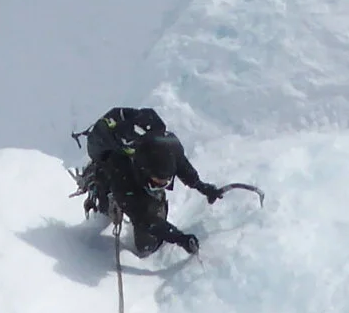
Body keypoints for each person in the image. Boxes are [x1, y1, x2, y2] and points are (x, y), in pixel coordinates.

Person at [75, 105, 258, 259]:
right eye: (156, 183)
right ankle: (98, 181)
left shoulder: (169, 148)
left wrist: (203, 187)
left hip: (132, 166)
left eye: (164, 183)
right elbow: (144, 219)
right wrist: (180, 238)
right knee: (115, 213)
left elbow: (183, 167)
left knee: (147, 244)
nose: (160, 186)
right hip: (112, 164)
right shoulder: (121, 171)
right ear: (144, 170)